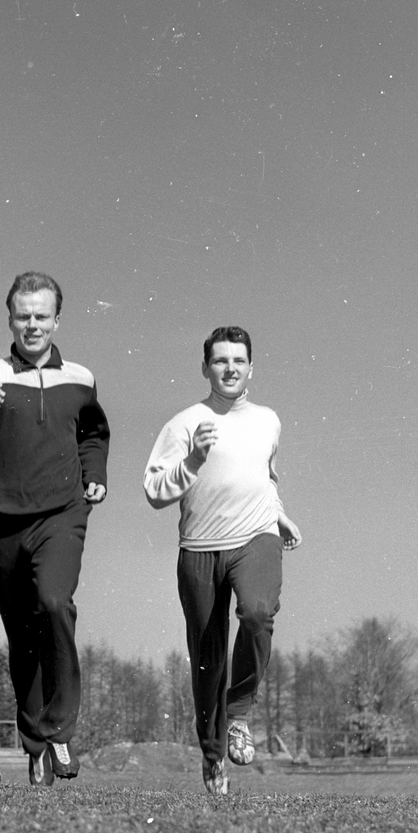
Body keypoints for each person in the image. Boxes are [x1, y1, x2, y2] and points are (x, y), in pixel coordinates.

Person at [0, 272, 109, 786]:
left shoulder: (80, 377)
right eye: (23, 315)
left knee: (55, 605)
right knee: (23, 635)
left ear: (57, 319)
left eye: (42, 316)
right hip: (3, 520)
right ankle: (35, 744)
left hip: (61, 514)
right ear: (9, 318)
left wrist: (95, 475)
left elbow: (94, 434)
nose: (33, 325)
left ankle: (58, 731)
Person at [143, 326, 302, 796]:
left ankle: (239, 712)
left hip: (256, 537)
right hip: (199, 549)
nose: (230, 368)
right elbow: (154, 491)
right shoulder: (184, 423)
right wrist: (192, 458)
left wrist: (280, 515)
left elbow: (263, 477)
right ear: (206, 367)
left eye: (238, 360)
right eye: (220, 360)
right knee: (208, 658)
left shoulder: (269, 420)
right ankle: (213, 759)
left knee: (256, 613)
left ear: (251, 367)